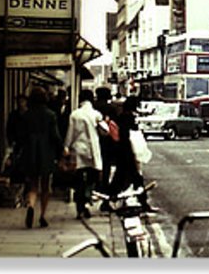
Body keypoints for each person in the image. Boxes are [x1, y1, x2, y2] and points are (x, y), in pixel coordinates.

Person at [19, 86, 62, 229]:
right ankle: (42, 215)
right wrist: (62, 150)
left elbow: (21, 137)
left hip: (30, 152)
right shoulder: (50, 115)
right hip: (46, 153)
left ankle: (31, 205)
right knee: (45, 186)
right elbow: (55, 136)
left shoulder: (26, 115)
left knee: (32, 185)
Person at [63, 90, 105, 219]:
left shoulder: (75, 115)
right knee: (92, 177)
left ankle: (80, 206)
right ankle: (87, 199)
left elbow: (71, 132)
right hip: (92, 149)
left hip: (78, 149)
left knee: (79, 178)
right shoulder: (96, 114)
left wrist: (66, 146)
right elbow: (106, 131)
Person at [109, 96, 150, 210]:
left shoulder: (121, 117)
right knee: (135, 177)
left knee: (122, 177)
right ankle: (143, 201)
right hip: (128, 151)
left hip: (122, 151)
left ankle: (109, 199)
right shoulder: (129, 118)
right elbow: (131, 136)